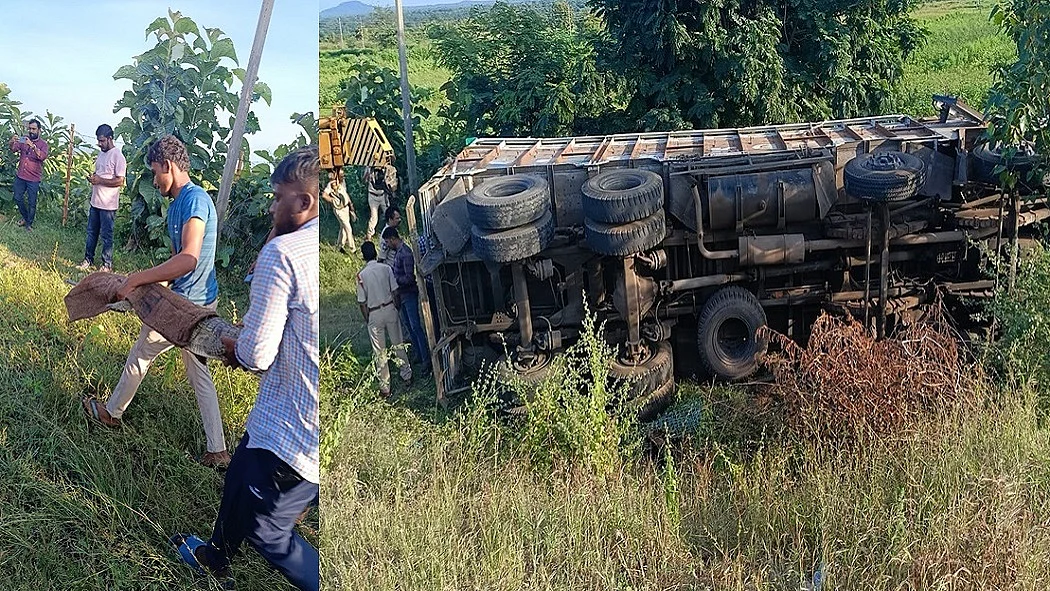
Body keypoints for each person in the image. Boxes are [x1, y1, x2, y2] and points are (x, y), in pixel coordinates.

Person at [170, 146, 320, 591]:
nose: (273, 206)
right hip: (298, 423)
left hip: (289, 430)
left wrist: (235, 346)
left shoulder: (284, 254)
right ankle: (215, 555)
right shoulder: (311, 245)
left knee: (269, 532)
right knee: (237, 476)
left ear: (304, 202)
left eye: (278, 198)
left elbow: (256, 353)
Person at [81, 135, 229, 470]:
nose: (154, 180)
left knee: (141, 353)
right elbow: (178, 261)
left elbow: (189, 259)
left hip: (187, 309)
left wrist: (138, 279)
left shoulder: (193, 201)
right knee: (198, 373)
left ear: (168, 166)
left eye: (155, 172)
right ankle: (218, 450)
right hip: (191, 300)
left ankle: (112, 413)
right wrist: (144, 287)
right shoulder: (178, 203)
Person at [356, 240, 412, 396]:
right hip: (389, 308)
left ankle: (385, 387)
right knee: (398, 344)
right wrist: (396, 307)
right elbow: (395, 291)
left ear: (363, 257)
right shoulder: (386, 268)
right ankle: (406, 375)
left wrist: (367, 318)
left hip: (374, 312)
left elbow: (362, 302)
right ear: (375, 253)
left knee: (379, 352)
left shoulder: (362, 275)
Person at [77, 124, 126, 273]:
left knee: (106, 236)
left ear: (110, 138)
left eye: (102, 141)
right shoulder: (101, 154)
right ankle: (88, 259)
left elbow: (120, 181)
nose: (99, 144)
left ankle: (106, 265)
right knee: (91, 232)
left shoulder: (118, 156)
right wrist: (93, 178)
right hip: (95, 201)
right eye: (98, 141)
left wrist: (100, 181)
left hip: (108, 205)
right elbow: (100, 172)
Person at [383, 226, 431, 374]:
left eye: (387, 242)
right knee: (410, 327)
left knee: (416, 326)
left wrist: (394, 280)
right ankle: (418, 353)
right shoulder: (398, 252)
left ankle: (426, 359)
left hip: (408, 294)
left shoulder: (405, 253)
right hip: (402, 295)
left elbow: (409, 277)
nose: (387, 245)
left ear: (392, 239)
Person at [8, 118, 48, 231]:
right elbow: (13, 149)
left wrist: (33, 146)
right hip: (21, 176)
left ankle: (29, 224)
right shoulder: (23, 140)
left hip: (33, 179)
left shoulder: (43, 144)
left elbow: (42, 156)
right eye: (30, 128)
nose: (31, 131)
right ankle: (25, 218)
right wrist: (12, 141)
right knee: (17, 197)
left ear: (39, 130)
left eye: (34, 129)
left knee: (32, 203)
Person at [362, 154, 397, 241]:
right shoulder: (370, 168)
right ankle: (369, 236)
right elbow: (364, 180)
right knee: (374, 217)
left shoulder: (389, 169)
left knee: (389, 214)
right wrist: (368, 172)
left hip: (383, 195)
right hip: (373, 195)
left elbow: (392, 184)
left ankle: (391, 232)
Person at [320, 169, 356, 253]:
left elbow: (345, 194)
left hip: (345, 207)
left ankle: (339, 246)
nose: (343, 177)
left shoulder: (343, 183)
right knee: (348, 228)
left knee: (343, 228)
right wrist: (332, 200)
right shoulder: (331, 184)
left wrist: (351, 205)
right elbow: (324, 195)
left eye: (343, 175)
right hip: (339, 209)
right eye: (341, 175)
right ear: (337, 176)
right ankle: (352, 249)